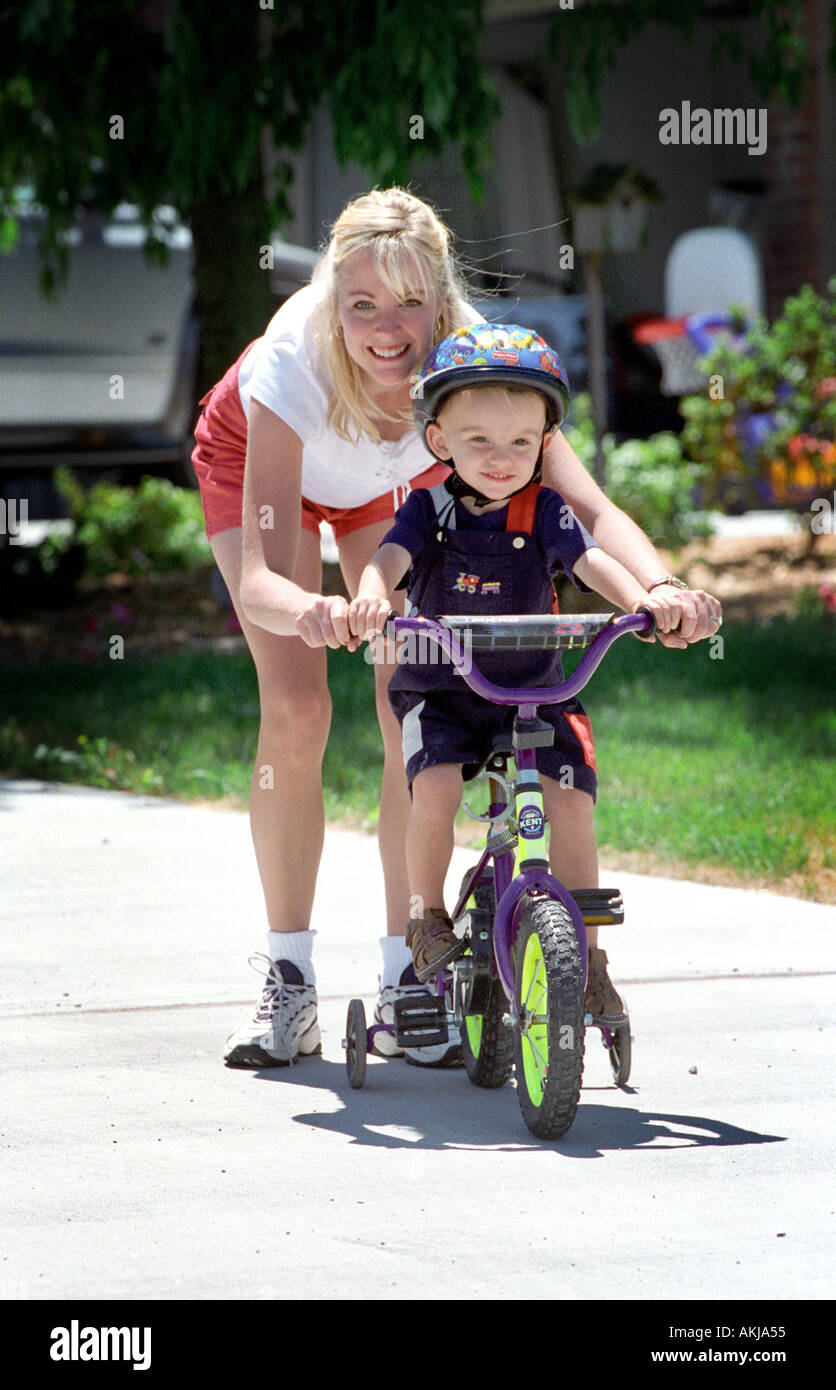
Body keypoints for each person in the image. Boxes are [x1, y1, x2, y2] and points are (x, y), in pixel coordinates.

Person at [191, 188, 722, 1070]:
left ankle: (412, 971)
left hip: (386, 488)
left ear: (441, 298)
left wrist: (664, 584)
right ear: (333, 301)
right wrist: (319, 609)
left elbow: (584, 506)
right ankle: (288, 982)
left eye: (409, 303)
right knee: (295, 703)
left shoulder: (478, 361)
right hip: (260, 463)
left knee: (412, 706)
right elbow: (255, 580)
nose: (387, 328)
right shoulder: (291, 365)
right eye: (361, 303)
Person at [346, 323, 704, 1003]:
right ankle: (425, 917)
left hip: (539, 692)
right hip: (442, 692)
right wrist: (371, 598)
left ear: (544, 444)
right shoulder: (429, 510)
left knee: (571, 804)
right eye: (479, 441)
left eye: (519, 442)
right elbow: (387, 560)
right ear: (440, 442)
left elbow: (590, 561)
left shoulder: (545, 513)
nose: (501, 458)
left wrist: (645, 601)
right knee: (438, 788)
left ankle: (590, 965)